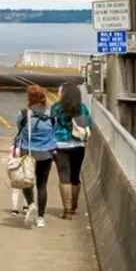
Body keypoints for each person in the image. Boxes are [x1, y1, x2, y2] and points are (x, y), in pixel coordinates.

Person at [12, 86, 57, 228]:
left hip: (28, 153)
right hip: (46, 154)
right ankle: (41, 218)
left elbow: (19, 129)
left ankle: (31, 204)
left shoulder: (23, 114)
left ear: (29, 98)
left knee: (27, 182)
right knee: (42, 185)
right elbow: (54, 130)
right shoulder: (51, 114)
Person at [51, 81, 93, 219]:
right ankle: (74, 206)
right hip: (78, 145)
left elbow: (51, 125)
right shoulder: (82, 108)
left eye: (59, 91)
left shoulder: (56, 108)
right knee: (75, 176)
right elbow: (89, 125)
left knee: (64, 177)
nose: (58, 93)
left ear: (64, 93)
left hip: (61, 145)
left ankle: (67, 210)